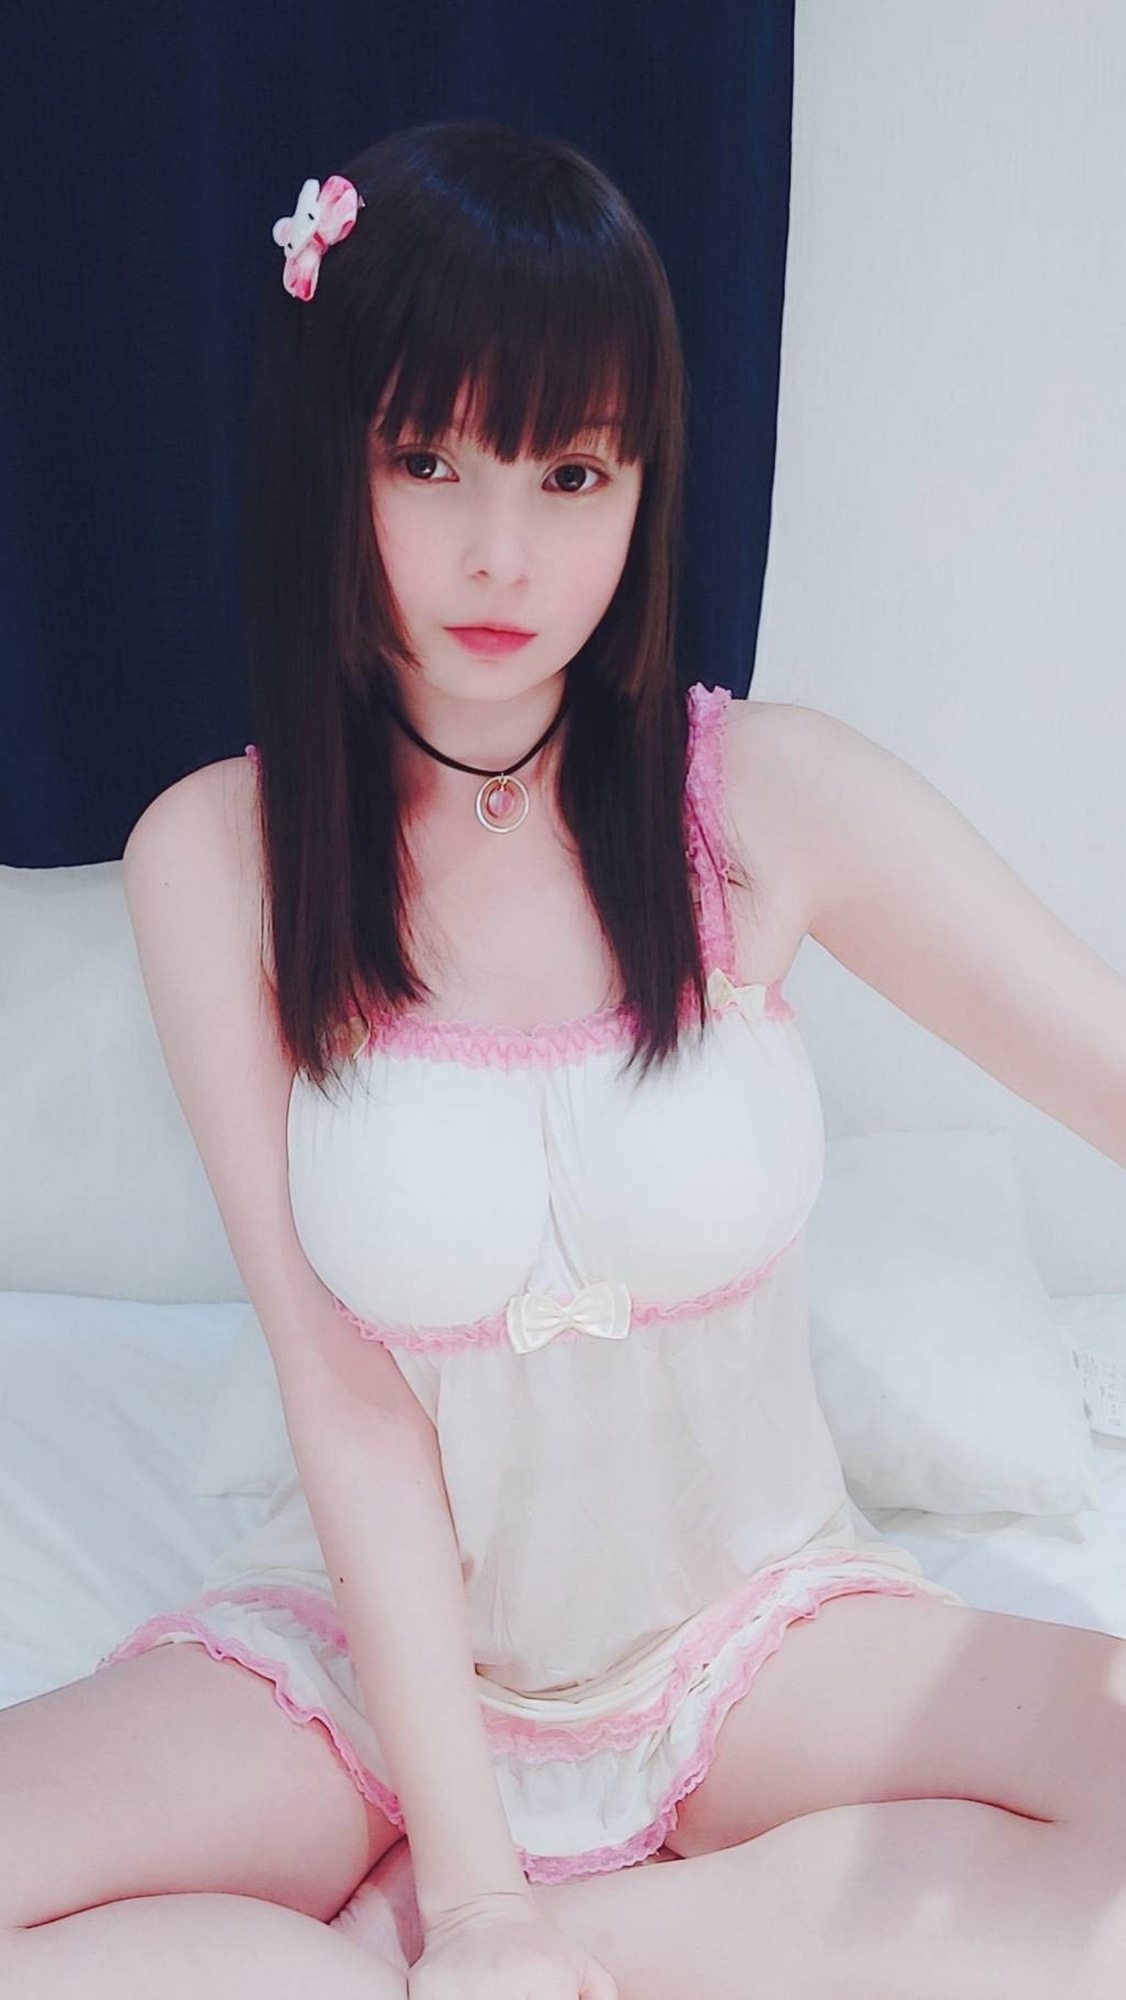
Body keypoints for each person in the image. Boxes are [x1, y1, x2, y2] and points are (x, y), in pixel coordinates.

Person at [4, 118, 1125, 2000]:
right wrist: (473, 1898)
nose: (501, 552)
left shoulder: (760, 800)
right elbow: (343, 1398)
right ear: (331, 461)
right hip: (364, 1665)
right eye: (428, 459)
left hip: (749, 1638)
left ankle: (605, 1949)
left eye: (572, 471)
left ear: (643, 485)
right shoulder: (220, 857)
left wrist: (543, 1932)